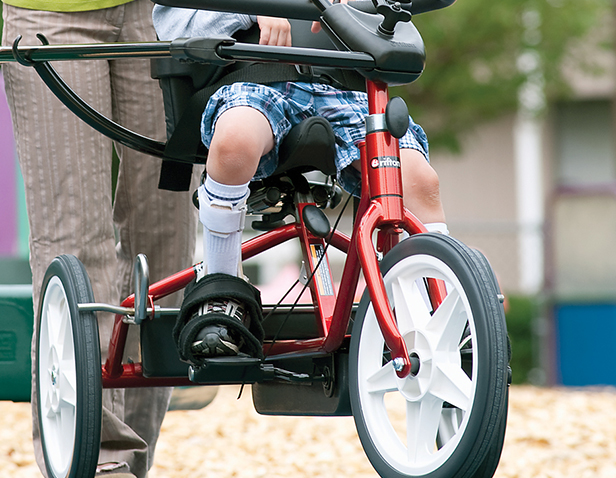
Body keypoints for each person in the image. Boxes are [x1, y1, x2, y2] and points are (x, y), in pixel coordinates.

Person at [0, 0, 198, 478]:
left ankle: (133, 448)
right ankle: (95, 448)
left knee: (169, 237)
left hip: (164, 15)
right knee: (74, 232)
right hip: (52, 16)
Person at [153, 5, 448, 361]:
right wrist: (253, 9)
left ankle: (441, 309)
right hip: (255, 77)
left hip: (342, 86)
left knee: (418, 180)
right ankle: (220, 288)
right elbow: (171, 23)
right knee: (235, 143)